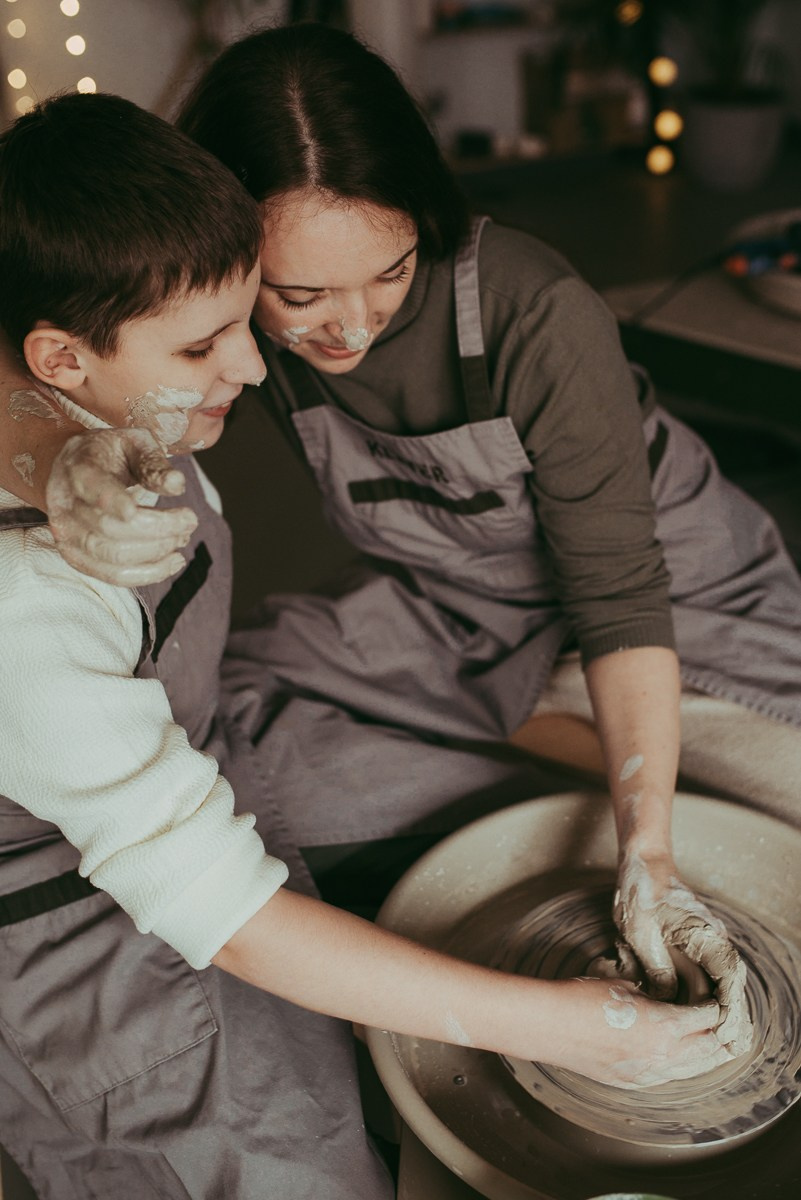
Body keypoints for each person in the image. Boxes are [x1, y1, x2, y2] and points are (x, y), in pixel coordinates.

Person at [0, 90, 743, 1200]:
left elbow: (624, 588)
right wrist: (584, 1032)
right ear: (58, 356)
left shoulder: (121, 398)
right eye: (206, 344)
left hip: (190, 750)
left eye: (249, 321)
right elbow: (233, 921)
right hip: (59, 914)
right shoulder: (31, 604)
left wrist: (42, 445)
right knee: (319, 1164)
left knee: (529, 845)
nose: (255, 370)